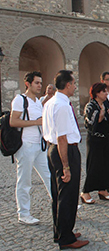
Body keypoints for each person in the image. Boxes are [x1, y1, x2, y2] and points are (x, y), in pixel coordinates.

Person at [43, 70, 89, 249]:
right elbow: (62, 137)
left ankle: (61, 231)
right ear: (68, 84)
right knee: (68, 195)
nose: (76, 86)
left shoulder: (51, 102)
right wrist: (66, 167)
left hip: (53, 149)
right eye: (74, 83)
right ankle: (67, 238)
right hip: (65, 151)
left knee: (59, 193)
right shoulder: (61, 105)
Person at [10, 71, 51, 225]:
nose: (40, 85)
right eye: (37, 83)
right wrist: (36, 122)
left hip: (39, 146)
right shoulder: (20, 100)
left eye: (40, 83)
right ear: (28, 84)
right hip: (25, 145)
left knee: (49, 176)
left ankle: (61, 205)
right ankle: (23, 213)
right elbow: (13, 122)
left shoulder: (37, 102)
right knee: (24, 181)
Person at [81, 83, 109, 204]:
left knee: (105, 165)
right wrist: (100, 116)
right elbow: (90, 124)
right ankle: (85, 191)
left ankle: (103, 189)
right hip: (95, 140)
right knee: (94, 165)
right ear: (97, 93)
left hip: (105, 139)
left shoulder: (105, 104)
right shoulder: (90, 106)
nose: (106, 94)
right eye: (104, 92)